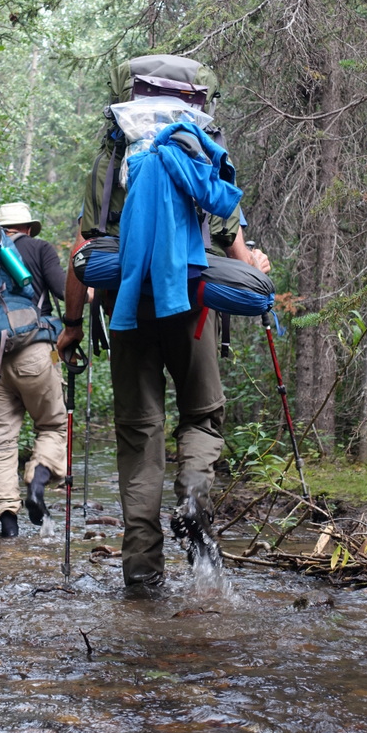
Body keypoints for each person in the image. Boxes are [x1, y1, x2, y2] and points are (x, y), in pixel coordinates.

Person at [57, 75, 270, 590]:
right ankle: (194, 493)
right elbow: (239, 254)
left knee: (138, 433)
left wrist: (69, 327)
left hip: (126, 308)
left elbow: (82, 252)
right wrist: (256, 267)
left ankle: (142, 574)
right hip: (193, 308)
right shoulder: (202, 150)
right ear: (196, 104)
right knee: (201, 415)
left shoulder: (114, 155)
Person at [0, 201, 68, 538]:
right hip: (34, 352)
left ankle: (8, 529)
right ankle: (37, 483)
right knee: (53, 425)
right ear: (28, 226)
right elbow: (63, 290)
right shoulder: (40, 248)